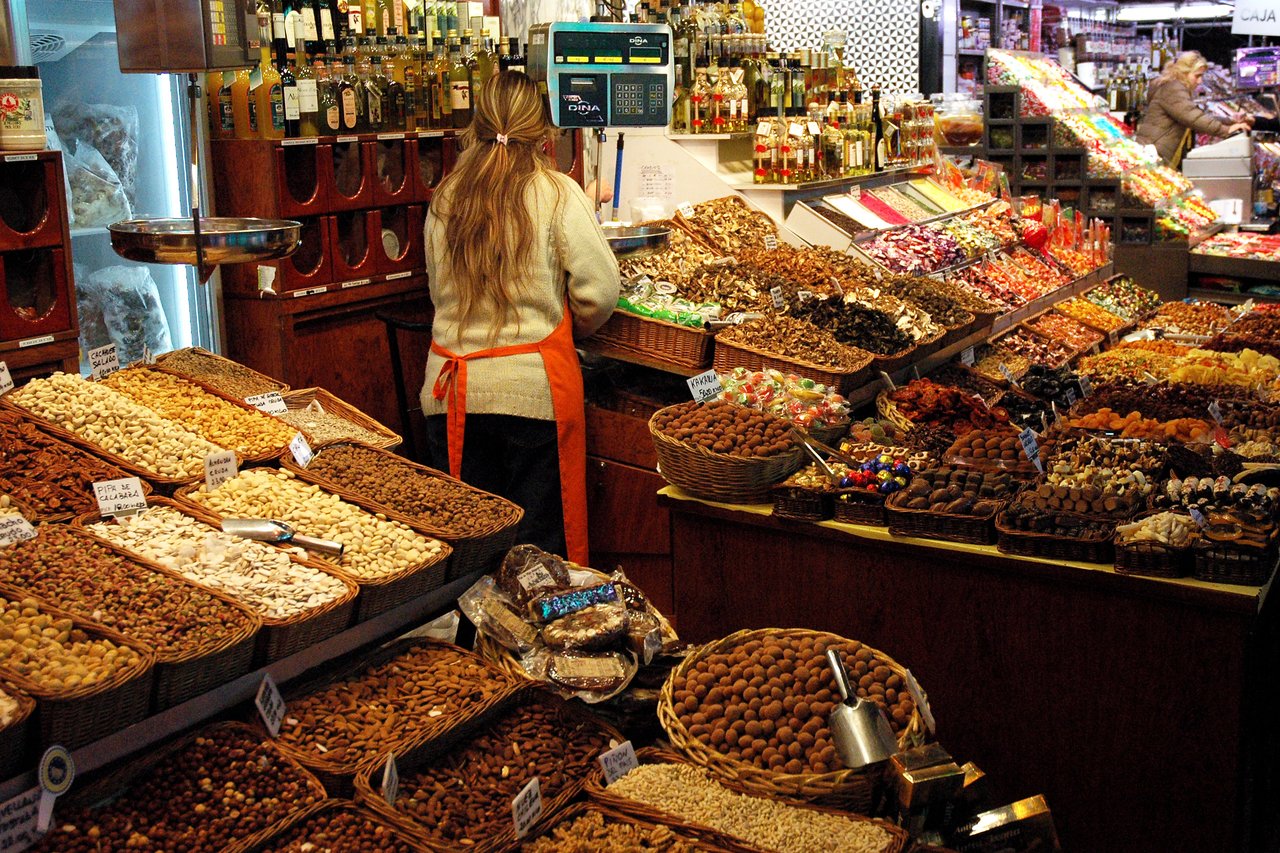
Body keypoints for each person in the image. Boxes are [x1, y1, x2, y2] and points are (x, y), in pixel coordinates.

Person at [420, 71, 620, 564]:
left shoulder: (446, 197)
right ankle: (538, 642)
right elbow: (600, 291)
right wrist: (568, 328)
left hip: (451, 395)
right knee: (539, 551)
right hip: (532, 399)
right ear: (543, 130)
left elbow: (435, 290)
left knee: (470, 551)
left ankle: (471, 642)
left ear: (475, 124)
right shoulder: (555, 192)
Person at [1135, 51, 1251, 166]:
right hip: (1154, 152)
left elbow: (1195, 115)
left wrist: (1229, 121)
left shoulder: (1173, 86)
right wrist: (1225, 130)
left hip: (1156, 150)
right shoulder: (1173, 89)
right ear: (1183, 73)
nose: (1200, 81)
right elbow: (1193, 117)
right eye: (1197, 76)